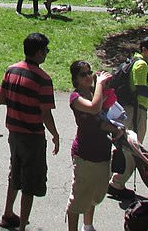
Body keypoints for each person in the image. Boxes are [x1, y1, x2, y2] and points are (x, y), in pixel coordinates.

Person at [0, 32, 60, 231]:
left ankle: (8, 213)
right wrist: (55, 135)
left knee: (14, 173)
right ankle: (23, 225)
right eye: (46, 51)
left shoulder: (11, 70)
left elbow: (1, 99)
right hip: (32, 135)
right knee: (30, 182)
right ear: (40, 52)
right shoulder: (42, 79)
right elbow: (45, 114)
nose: (47, 54)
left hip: (13, 132)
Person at [109, 36, 148, 196]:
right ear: (144, 50)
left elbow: (144, 85)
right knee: (133, 148)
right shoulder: (142, 64)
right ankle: (117, 184)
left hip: (129, 109)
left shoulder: (138, 62)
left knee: (124, 146)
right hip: (135, 111)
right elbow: (140, 89)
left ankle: (111, 179)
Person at [66, 60, 116, 231]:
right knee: (79, 198)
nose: (88, 76)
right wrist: (100, 84)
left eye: (89, 72)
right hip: (84, 154)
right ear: (76, 79)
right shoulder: (75, 98)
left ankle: (87, 226)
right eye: (83, 74)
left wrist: (116, 128)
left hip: (103, 151)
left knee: (96, 194)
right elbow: (94, 109)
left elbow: (103, 118)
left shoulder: (95, 92)